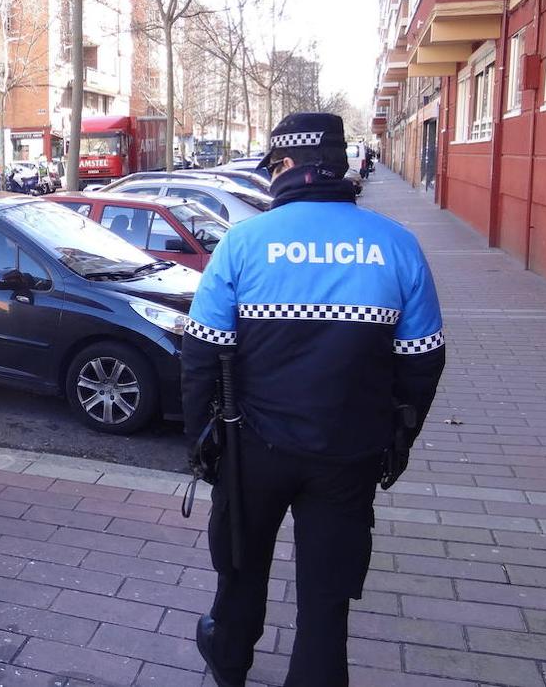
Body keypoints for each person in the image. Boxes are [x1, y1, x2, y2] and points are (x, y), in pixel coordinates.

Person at [182, 113, 446, 686]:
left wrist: (201, 444)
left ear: (282, 167)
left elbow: (201, 354)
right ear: (340, 166)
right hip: (347, 453)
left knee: (240, 568)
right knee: (327, 601)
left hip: (253, 449)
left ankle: (228, 662)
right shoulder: (398, 245)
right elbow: (423, 360)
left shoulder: (243, 243)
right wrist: (395, 440)